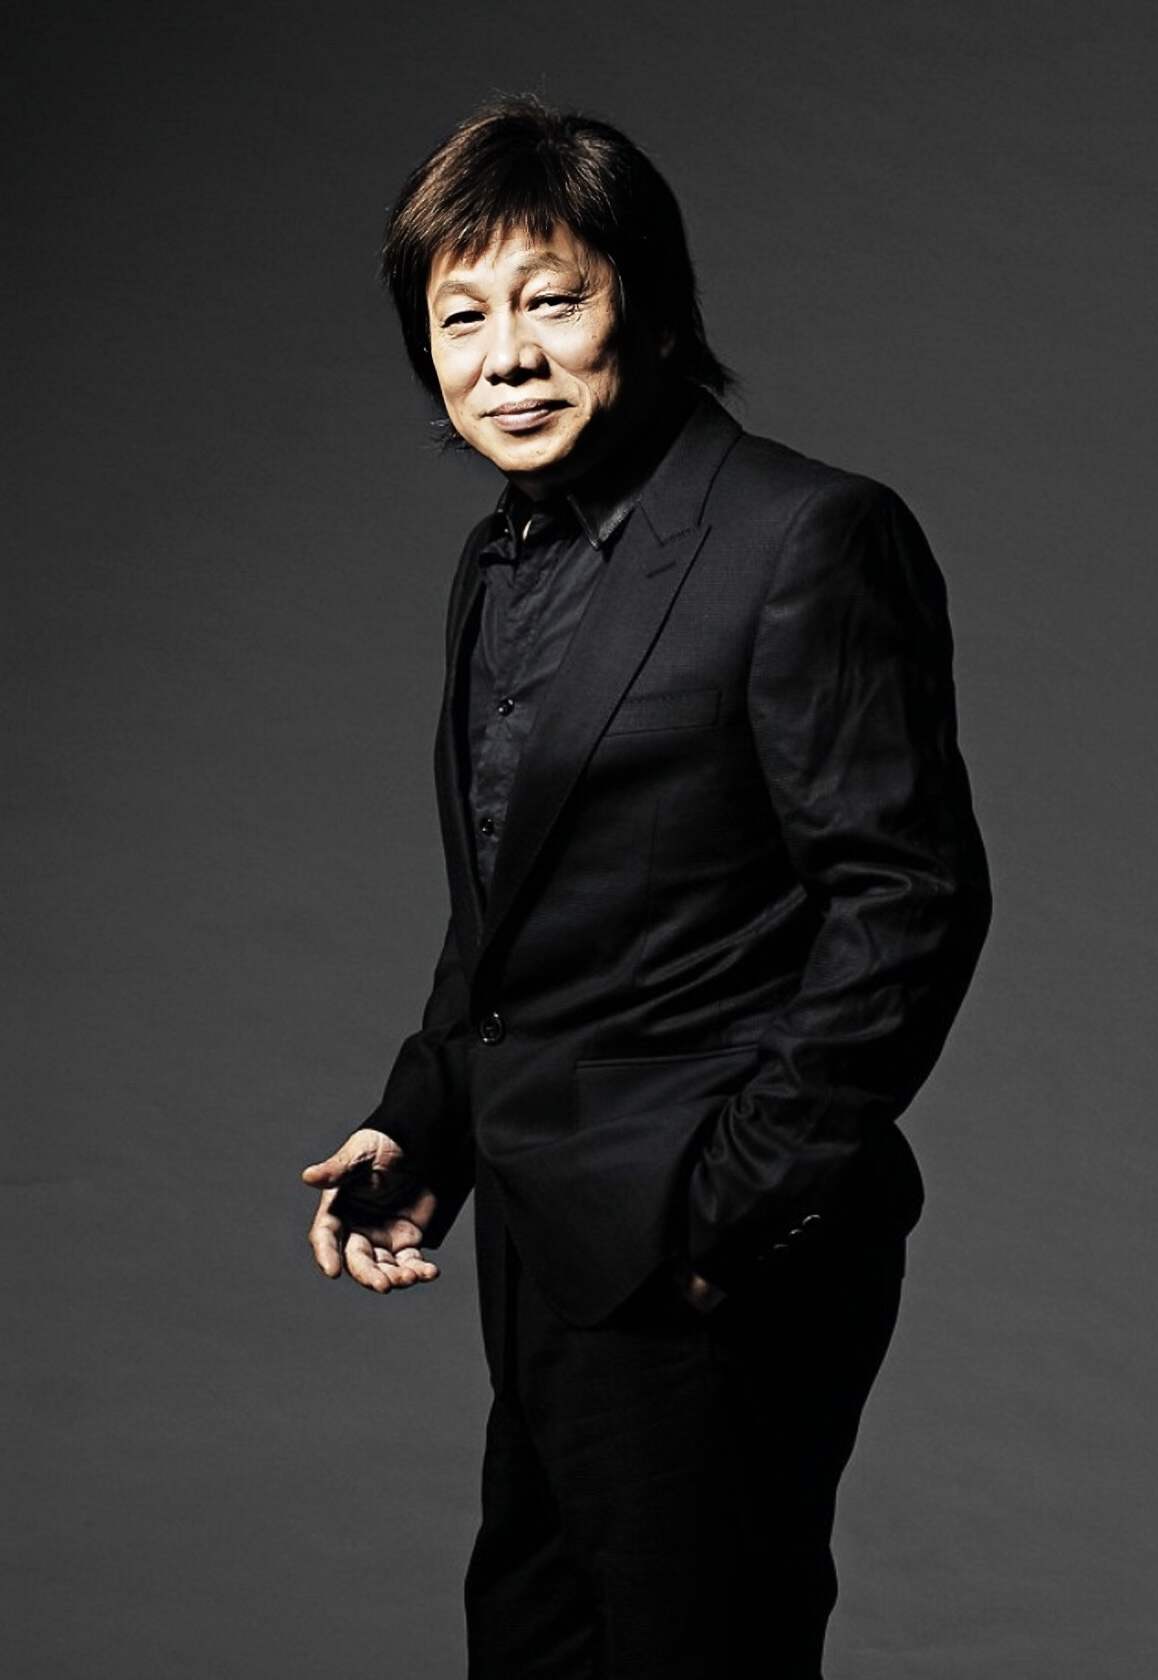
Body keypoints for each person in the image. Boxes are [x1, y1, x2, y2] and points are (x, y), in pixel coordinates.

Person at [299, 94, 992, 1679]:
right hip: (546, 1250)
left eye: (552, 300)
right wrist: (423, 1123)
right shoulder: (501, 561)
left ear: (653, 310)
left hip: (711, 1269)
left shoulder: (806, 537)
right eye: (461, 318)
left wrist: (723, 1209)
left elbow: (908, 902)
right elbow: (513, 914)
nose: (506, 358)